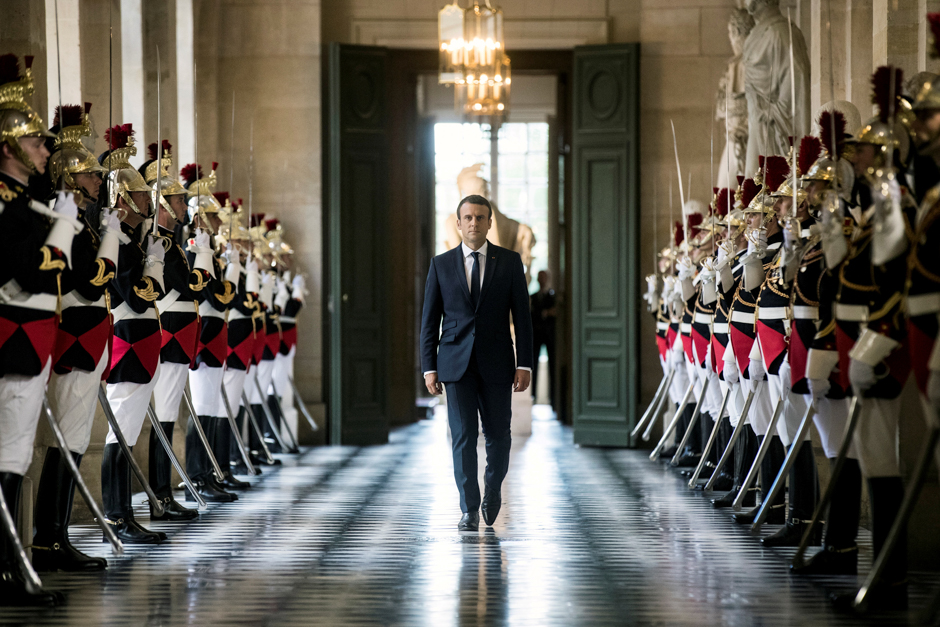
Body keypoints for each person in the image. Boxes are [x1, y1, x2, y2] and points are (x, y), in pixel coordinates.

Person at [420, 194, 534, 531]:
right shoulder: (440, 264)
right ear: (458, 223)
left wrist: (524, 364)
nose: (473, 223)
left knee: (499, 434)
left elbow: (523, 318)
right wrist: (429, 366)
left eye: (480, 217)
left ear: (489, 222)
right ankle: (469, 506)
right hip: (455, 365)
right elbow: (429, 321)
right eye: (467, 217)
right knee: (463, 436)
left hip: (498, 362)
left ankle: (493, 490)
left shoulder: (510, 262)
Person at [529, 270, 556, 407]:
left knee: (553, 366)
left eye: (544, 277)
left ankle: (553, 399)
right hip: (536, 335)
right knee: (533, 366)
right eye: (540, 278)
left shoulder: (552, 296)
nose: (542, 280)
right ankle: (532, 396)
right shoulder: (533, 297)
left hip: (550, 336)